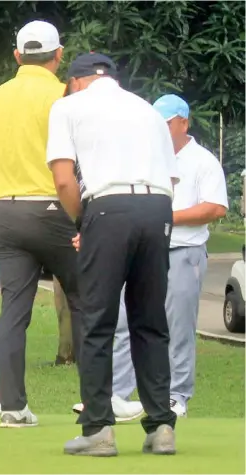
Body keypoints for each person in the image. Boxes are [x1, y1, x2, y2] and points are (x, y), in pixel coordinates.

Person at [45, 52, 180, 456]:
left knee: (97, 320)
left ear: (76, 81)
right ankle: (161, 427)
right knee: (150, 321)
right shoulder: (148, 110)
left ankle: (98, 428)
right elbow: (171, 174)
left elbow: (64, 179)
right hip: (158, 207)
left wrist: (82, 221)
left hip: (109, 206)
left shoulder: (68, 105)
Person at [0, 19, 83, 428]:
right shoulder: (66, 95)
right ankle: (96, 400)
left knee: (13, 308)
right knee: (87, 300)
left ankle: (12, 406)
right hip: (56, 209)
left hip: (8, 214)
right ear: (58, 54)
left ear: (17, 56)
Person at [81, 94, 228, 419]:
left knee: (176, 325)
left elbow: (215, 207)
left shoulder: (202, 161)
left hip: (182, 250)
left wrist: (163, 217)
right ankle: (116, 394)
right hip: (141, 249)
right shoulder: (145, 157)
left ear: (183, 123)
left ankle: (176, 396)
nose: (158, 131)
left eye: (165, 125)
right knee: (121, 321)